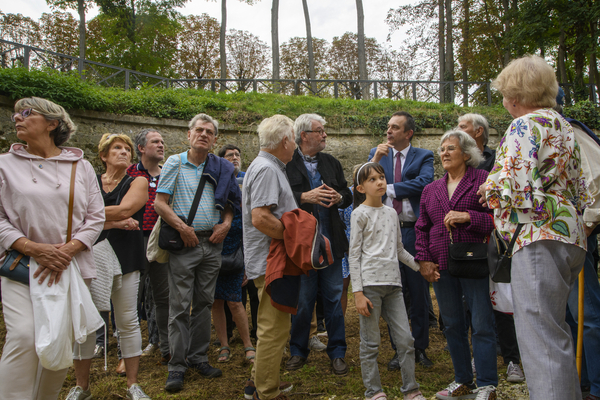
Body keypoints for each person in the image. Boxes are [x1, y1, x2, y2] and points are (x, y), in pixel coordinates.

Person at [482, 55, 589, 400]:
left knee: (540, 339)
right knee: (556, 333)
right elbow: (581, 189)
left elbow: (520, 191)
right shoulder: (564, 127)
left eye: (503, 94)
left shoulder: (524, 125)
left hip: (537, 235)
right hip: (570, 235)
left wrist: (490, 191)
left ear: (514, 96)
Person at [0, 97, 105, 400]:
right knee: (23, 336)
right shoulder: (5, 165)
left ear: (51, 123)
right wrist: (34, 248)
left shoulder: (81, 166)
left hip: (67, 266)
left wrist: (67, 251)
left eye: (26, 113)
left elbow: (95, 216)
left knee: (61, 340)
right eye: (16, 113)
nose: (17, 118)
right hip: (22, 265)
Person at [154, 113, 241, 393]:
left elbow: (229, 204)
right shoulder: (174, 163)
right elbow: (160, 203)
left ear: (214, 139)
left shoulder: (221, 167)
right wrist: (183, 228)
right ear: (188, 135)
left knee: (204, 303)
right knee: (179, 306)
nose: (204, 134)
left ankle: (199, 358)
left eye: (209, 132)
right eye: (199, 130)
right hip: (185, 243)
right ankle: (177, 366)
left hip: (212, 243)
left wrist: (226, 225)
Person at [415, 130, 497, 399]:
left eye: (451, 148)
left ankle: (486, 383)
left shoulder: (483, 180)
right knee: (452, 324)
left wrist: (468, 216)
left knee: (482, 323)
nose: (445, 153)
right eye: (442, 149)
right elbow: (422, 228)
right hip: (442, 264)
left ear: (466, 153)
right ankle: (463, 379)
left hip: (474, 261)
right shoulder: (431, 189)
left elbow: (497, 220)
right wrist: (424, 260)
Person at [69, 132, 150, 400]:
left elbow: (126, 209)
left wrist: (91, 215)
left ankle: (133, 386)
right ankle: (82, 386)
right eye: (117, 148)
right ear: (103, 155)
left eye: (127, 149)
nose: (124, 152)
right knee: (87, 321)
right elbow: (70, 214)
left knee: (127, 320)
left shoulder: (138, 181)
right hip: (89, 255)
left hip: (127, 255)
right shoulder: (88, 181)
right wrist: (112, 222)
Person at [349, 162, 427, 400]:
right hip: (370, 287)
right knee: (371, 342)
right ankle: (374, 391)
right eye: (372, 179)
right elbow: (354, 255)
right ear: (361, 188)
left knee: (405, 340)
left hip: (394, 287)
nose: (380, 182)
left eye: (381, 177)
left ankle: (411, 389)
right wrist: (358, 293)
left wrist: (420, 267)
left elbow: (400, 250)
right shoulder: (359, 214)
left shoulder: (392, 213)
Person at [457, 114, 524, 383]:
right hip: (472, 246)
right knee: (476, 305)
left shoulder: (497, 161)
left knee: (504, 302)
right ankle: (480, 358)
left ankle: (512, 360)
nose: (457, 131)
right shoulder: (453, 178)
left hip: (499, 241)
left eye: (462, 128)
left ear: (479, 133)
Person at [284, 113, 352, 375]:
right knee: (302, 301)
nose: (325, 135)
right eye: (320, 131)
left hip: (331, 243)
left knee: (334, 299)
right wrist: (303, 196)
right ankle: (298, 351)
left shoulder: (332, 162)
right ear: (304, 136)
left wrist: (339, 197)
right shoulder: (286, 164)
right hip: (302, 246)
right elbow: (280, 198)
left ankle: (337, 352)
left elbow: (347, 193)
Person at [368, 111, 435, 369]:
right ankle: (399, 349)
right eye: (388, 127)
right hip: (386, 231)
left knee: (418, 293)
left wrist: (389, 189)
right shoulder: (378, 154)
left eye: (395, 128)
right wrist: (374, 160)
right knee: (393, 292)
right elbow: (364, 181)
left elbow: (425, 182)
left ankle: (419, 349)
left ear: (409, 133)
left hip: (413, 230)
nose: (389, 131)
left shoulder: (423, 156)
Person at [242, 115, 297, 400]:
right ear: (285, 140)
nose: (296, 146)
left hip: (270, 260)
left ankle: (256, 383)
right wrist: (296, 240)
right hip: (271, 261)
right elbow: (261, 218)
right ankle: (267, 393)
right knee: (273, 330)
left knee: (273, 327)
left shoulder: (267, 166)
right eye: (294, 139)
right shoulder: (266, 169)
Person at [555, 89, 600, 400]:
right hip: (555, 238)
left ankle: (596, 386)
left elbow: (596, 178)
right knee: (568, 316)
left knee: (588, 315)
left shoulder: (570, 131)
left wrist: (588, 221)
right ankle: (579, 381)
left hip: (578, 235)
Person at [127, 128, 170, 365]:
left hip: (161, 241)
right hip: (134, 240)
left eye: (162, 141)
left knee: (163, 296)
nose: (161, 145)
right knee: (131, 296)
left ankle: (164, 346)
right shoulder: (129, 173)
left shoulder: (168, 173)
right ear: (141, 148)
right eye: (155, 142)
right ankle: (129, 348)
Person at [211, 144, 256, 364]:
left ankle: (248, 344)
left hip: (236, 253)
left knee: (235, 302)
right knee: (216, 302)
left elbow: (249, 229)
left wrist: (247, 262)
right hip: (212, 251)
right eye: (230, 156)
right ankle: (224, 345)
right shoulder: (211, 188)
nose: (235, 159)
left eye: (238, 155)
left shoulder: (244, 187)